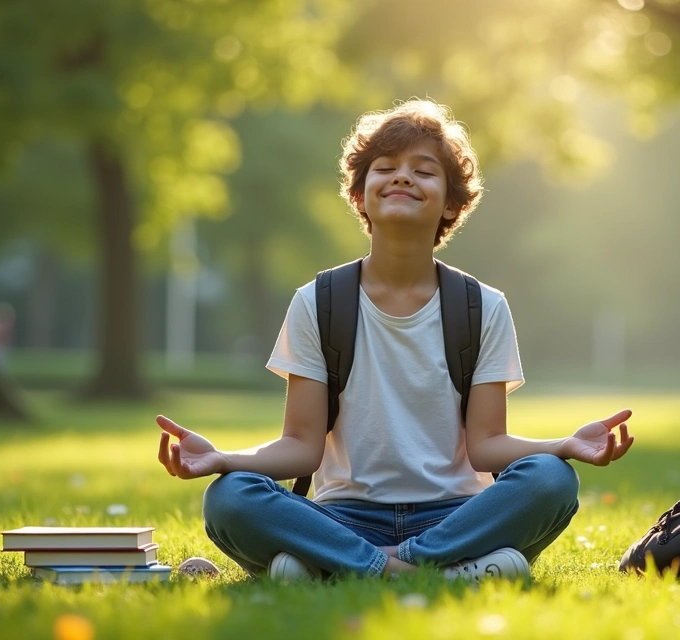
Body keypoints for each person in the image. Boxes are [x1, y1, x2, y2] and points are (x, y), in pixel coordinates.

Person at [155, 99, 635, 582]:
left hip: (454, 515)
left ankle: (337, 568)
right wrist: (223, 459)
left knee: (551, 479)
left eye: (423, 171)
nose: (402, 177)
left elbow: (487, 447)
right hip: (343, 516)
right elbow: (302, 447)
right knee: (230, 496)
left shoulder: (482, 306)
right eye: (385, 168)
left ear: (451, 202)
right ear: (361, 195)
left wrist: (566, 445)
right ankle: (440, 570)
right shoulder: (317, 302)